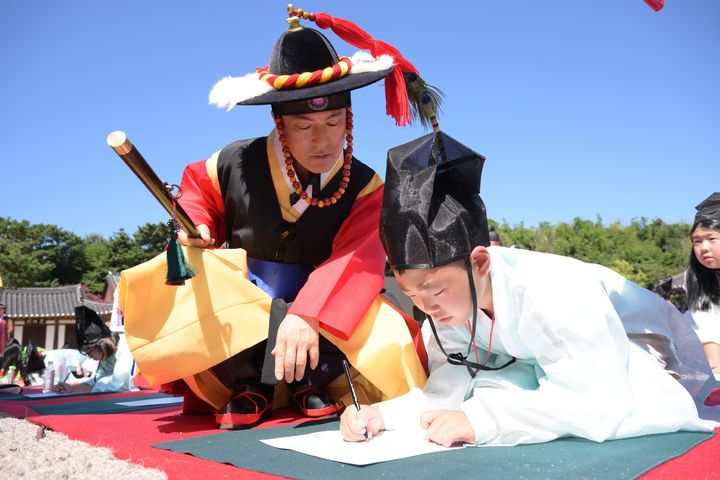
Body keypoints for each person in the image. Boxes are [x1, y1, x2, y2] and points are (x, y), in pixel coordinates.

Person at [119, 6, 430, 429]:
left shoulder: (365, 184)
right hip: (244, 299)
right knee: (192, 268)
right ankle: (247, 383)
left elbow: (356, 261)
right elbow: (196, 191)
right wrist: (196, 223)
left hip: (322, 309)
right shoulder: (233, 161)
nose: (322, 140)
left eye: (334, 122)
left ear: (348, 119)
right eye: (304, 126)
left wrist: (307, 313)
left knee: (388, 334)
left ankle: (312, 380)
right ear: (279, 122)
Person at [339, 131, 717, 447]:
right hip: (550, 369)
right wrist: (382, 414)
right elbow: (449, 387)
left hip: (634, 354)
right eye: (414, 295)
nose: (428, 308)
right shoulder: (448, 309)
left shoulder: (556, 292)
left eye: (435, 291)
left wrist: (482, 422)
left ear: (481, 262)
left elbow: (597, 398)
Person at [55, 306, 133, 393]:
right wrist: (72, 388)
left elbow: (120, 383)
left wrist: (90, 388)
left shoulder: (124, 345)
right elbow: (98, 379)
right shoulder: (106, 354)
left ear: (100, 345)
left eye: (89, 352)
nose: (89, 357)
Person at [683, 192, 720, 377]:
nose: (703, 247)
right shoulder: (696, 279)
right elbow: (704, 319)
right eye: (697, 241)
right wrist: (714, 365)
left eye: (712, 239)